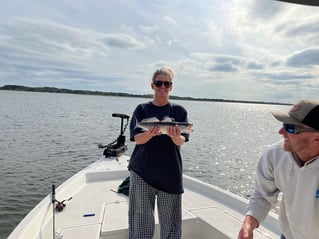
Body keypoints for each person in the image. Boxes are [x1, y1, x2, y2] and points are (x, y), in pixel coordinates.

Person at [238, 99, 319, 239]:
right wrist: (248, 224)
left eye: (291, 128)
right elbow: (263, 195)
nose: (281, 131)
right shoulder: (274, 155)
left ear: (316, 138)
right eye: (284, 125)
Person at [128, 67, 190, 239]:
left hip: (170, 174)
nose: (162, 87)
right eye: (158, 83)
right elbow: (136, 139)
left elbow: (182, 141)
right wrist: (149, 133)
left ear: (171, 87)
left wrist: (175, 136)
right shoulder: (141, 109)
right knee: (141, 219)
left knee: (171, 222)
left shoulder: (179, 111)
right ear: (152, 85)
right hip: (142, 171)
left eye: (166, 83)